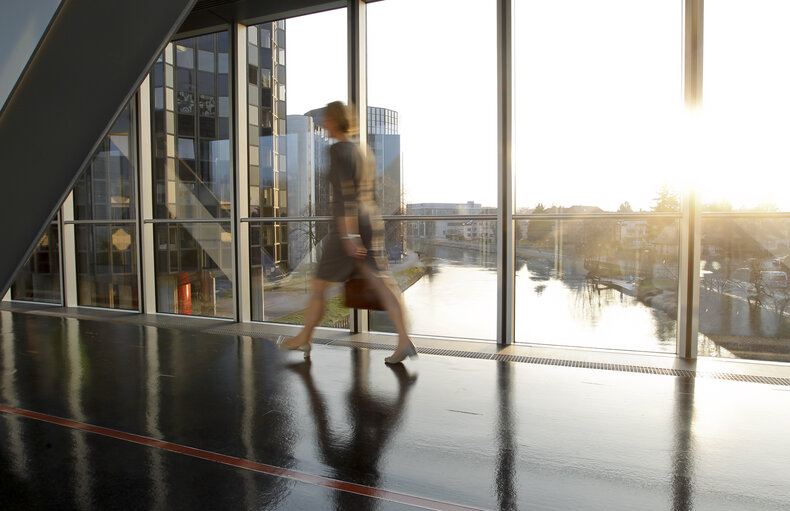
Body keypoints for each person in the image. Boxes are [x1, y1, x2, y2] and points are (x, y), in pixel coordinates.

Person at [278, 101, 417, 364]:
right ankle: (403, 340)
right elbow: (366, 193)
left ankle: (304, 337)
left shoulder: (339, 150)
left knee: (319, 285)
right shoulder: (362, 151)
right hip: (371, 220)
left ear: (335, 121)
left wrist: (348, 236)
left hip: (349, 226)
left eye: (326, 119)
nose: (323, 123)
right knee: (384, 282)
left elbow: (345, 196)